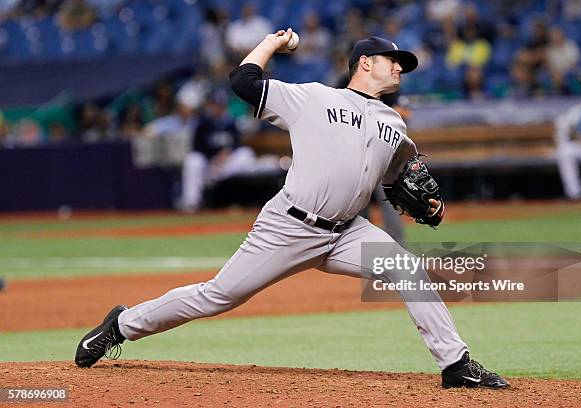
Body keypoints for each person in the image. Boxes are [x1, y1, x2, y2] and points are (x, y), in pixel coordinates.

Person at [74, 31, 509, 390]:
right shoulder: (314, 98)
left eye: (402, 63)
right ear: (364, 63)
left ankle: (455, 364)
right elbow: (244, 83)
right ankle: (122, 325)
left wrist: (427, 203)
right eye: (391, 60)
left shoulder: (395, 125)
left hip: (348, 233)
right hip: (289, 226)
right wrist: (269, 44)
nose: (399, 67)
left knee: (405, 267)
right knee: (219, 295)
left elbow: (399, 183)